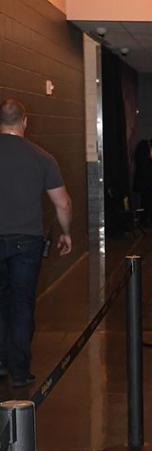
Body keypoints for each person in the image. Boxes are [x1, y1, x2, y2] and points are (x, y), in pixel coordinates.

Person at [0, 98, 72, 388]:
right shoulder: (42, 157)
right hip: (26, 242)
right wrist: (66, 232)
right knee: (21, 304)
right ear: (25, 121)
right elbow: (62, 203)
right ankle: (19, 371)